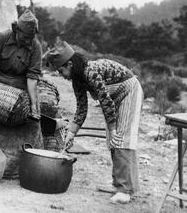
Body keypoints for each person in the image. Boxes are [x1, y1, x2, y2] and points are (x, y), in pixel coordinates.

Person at [46, 41, 143, 204]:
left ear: (70, 64)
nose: (61, 74)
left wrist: (113, 129)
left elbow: (105, 102)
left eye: (61, 70)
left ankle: (125, 190)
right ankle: (119, 184)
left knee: (120, 139)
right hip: (114, 99)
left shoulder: (90, 72)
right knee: (112, 142)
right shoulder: (77, 80)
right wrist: (71, 133)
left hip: (129, 91)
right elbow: (82, 109)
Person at [0, 9, 44, 179]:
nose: (27, 41)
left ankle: (19, 166)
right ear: (16, 30)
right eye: (24, 37)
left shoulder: (35, 46)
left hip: (21, 89)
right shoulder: (2, 37)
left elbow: (32, 78)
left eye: (31, 38)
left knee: (30, 122)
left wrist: (33, 104)